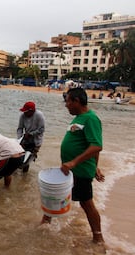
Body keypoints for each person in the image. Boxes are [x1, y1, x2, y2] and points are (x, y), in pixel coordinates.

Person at [41, 87, 105, 244]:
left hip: (80, 171)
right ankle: (44, 225)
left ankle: (98, 238)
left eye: (68, 101)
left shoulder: (91, 119)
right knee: (55, 195)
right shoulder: (78, 118)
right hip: (70, 170)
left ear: (77, 101)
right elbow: (88, 144)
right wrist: (95, 166)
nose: (66, 105)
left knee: (86, 203)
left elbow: (96, 146)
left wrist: (74, 162)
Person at [17, 101, 45, 172]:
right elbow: (20, 128)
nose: (24, 113)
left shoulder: (39, 115)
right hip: (25, 139)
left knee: (28, 159)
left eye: (26, 111)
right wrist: (19, 139)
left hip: (36, 140)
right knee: (19, 155)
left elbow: (42, 129)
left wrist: (31, 134)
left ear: (32, 111)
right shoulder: (22, 116)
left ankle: (24, 174)